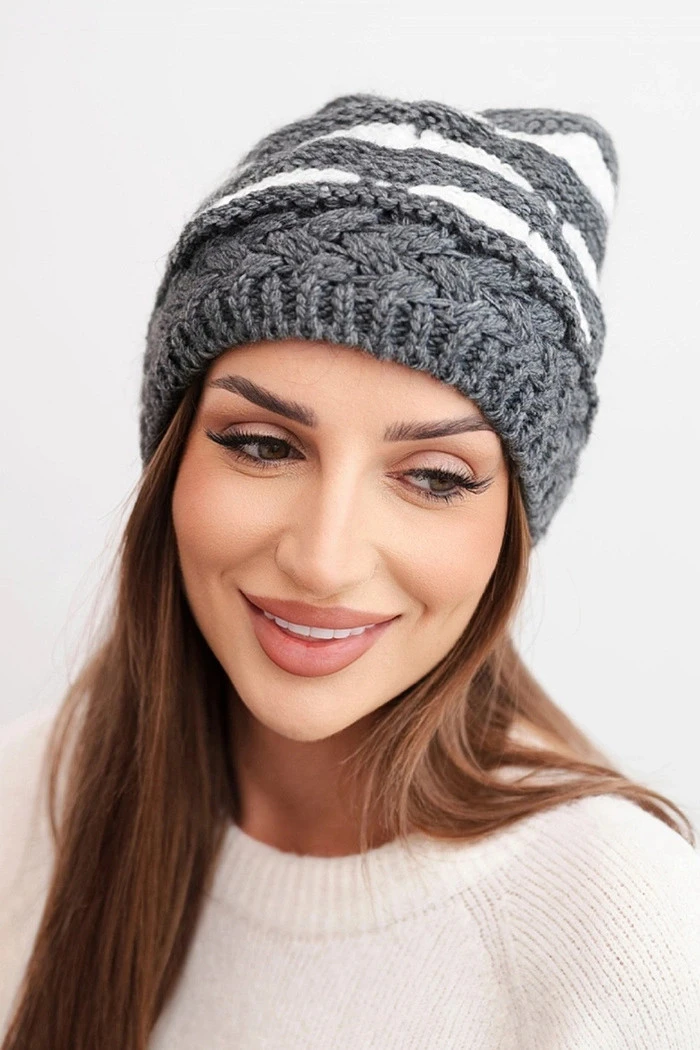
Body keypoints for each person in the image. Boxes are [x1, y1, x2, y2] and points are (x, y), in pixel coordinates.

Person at [1, 91, 699, 1050]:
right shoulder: (29, 798)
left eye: (433, 477)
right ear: (173, 461)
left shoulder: (623, 925)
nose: (323, 561)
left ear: (513, 526)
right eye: (262, 446)